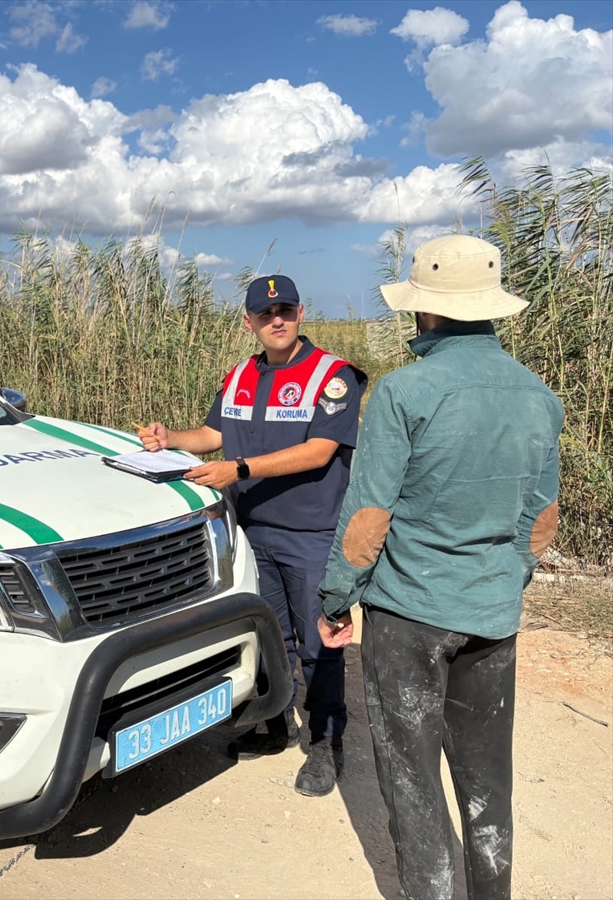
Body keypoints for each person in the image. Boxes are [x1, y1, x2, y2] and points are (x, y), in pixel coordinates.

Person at [317, 235, 564, 900]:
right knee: (488, 782)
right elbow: (540, 519)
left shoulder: (404, 392)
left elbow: (368, 519)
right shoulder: (538, 395)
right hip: (492, 614)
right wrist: (506, 578)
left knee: (412, 781)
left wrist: (337, 598)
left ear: (424, 312)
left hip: (410, 617)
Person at [139, 273, 366, 797]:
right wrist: (169, 439)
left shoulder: (333, 376)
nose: (276, 320)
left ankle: (326, 743)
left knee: (319, 643)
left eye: (285, 310)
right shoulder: (240, 374)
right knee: (269, 636)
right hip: (250, 529)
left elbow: (320, 451)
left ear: (300, 313)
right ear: (249, 322)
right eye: (265, 315)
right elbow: (216, 434)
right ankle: (274, 722)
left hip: (313, 533)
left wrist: (237, 471)